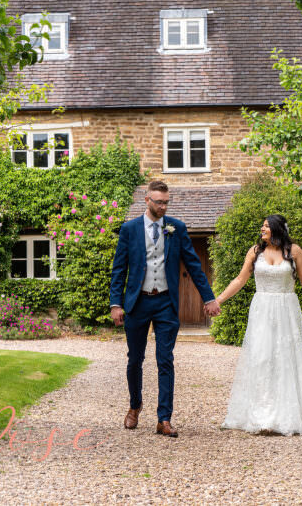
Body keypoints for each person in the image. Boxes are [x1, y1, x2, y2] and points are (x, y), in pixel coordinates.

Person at [109, 180, 221, 438]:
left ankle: (164, 418)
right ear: (146, 201)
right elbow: (119, 270)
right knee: (135, 359)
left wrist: (209, 298)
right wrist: (116, 303)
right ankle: (135, 406)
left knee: (165, 360)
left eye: (166, 202)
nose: (163, 206)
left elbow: (194, 265)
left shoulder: (176, 228)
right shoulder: (129, 229)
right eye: (158, 202)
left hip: (166, 303)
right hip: (138, 302)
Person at [216, 214, 302, 435]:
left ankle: (286, 416)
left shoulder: (294, 252)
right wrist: (218, 300)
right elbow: (240, 279)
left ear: (276, 229)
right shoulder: (255, 252)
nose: (262, 229)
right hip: (262, 309)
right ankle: (262, 416)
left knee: (285, 359)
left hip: (286, 309)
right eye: (262, 225)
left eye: (266, 226)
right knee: (262, 358)